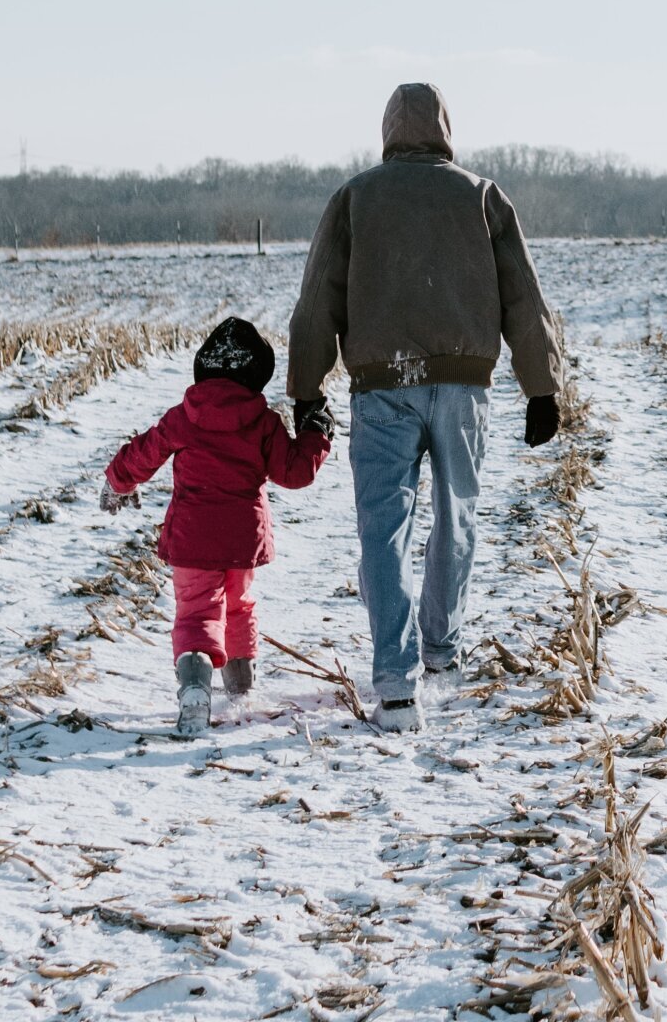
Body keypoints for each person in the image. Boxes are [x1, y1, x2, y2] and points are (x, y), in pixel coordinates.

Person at [289, 82, 564, 733]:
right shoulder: (482, 196)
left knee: (383, 527)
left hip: (382, 386)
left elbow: (316, 300)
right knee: (455, 514)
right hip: (465, 386)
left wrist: (305, 392)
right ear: (445, 127)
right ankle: (440, 648)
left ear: (387, 129)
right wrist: (542, 387)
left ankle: (395, 682)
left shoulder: (355, 197)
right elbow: (524, 296)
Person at [102, 316, 331, 737]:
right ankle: (242, 686)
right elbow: (295, 471)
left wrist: (118, 482)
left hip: (192, 538)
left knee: (196, 611)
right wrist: (316, 430)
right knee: (239, 604)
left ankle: (194, 689)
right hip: (242, 539)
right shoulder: (262, 422)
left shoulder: (183, 417)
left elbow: (144, 454)